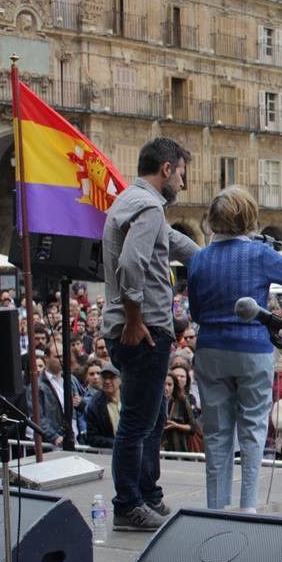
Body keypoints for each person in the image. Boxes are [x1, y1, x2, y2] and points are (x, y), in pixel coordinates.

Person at [186, 186, 282, 512]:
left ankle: (216, 508)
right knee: (253, 428)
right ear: (249, 218)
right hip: (251, 349)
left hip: (210, 350)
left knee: (216, 432)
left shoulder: (199, 259)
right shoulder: (258, 254)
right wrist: (271, 254)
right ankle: (248, 507)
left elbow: (196, 313)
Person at [102, 137, 200, 530]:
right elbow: (130, 265)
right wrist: (134, 319)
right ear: (166, 169)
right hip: (142, 333)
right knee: (137, 422)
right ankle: (128, 503)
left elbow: (177, 245)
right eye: (181, 174)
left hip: (144, 329)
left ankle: (147, 493)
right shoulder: (146, 206)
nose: (183, 183)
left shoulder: (138, 204)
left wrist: (221, 255)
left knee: (153, 416)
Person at [84, 362, 121, 450]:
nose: (107, 381)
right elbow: (92, 437)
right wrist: (116, 443)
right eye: (104, 377)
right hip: (108, 455)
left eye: (112, 377)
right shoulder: (94, 405)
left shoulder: (131, 397)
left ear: (120, 378)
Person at [161, 370, 197, 452]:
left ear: (174, 386)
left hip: (178, 449)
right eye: (163, 384)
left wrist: (176, 425)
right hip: (156, 449)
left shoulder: (182, 401)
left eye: (169, 385)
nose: (166, 388)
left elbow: (193, 427)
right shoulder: (153, 402)